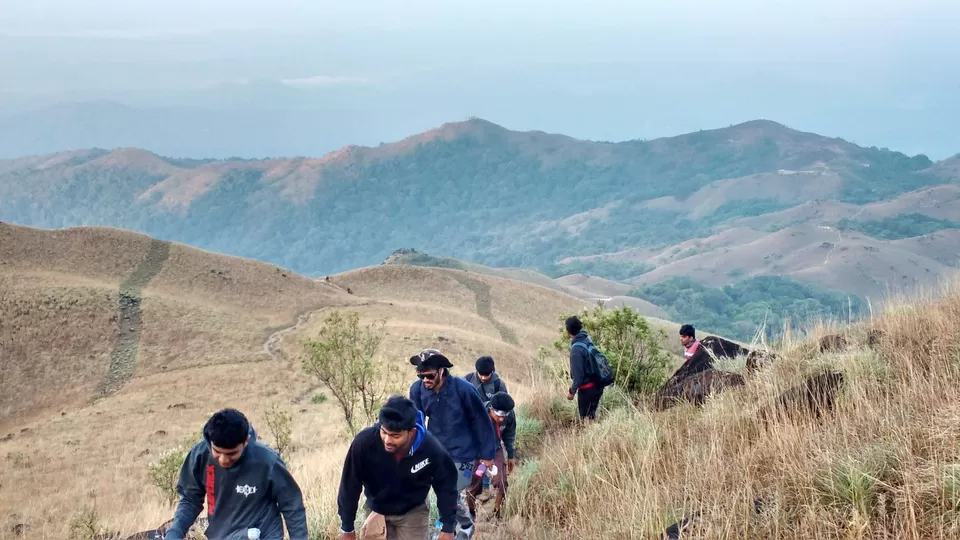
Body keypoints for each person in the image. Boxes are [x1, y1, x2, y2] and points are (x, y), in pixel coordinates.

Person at [163, 409, 308, 540]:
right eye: (217, 452)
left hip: (264, 534)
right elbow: (190, 499)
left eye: (231, 454)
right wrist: (175, 533)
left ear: (245, 441)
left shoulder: (267, 461)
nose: (223, 460)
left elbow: (292, 505)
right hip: (222, 535)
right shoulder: (200, 455)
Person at [337, 395, 459, 540]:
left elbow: (446, 485)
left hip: (413, 510)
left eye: (395, 436)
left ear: (411, 432)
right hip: (377, 509)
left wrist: (448, 527)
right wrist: (347, 526)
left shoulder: (430, 448)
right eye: (384, 432)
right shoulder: (364, 443)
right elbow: (350, 484)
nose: (387, 440)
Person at [409, 349, 498, 540]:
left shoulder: (463, 389)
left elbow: (481, 421)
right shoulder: (417, 390)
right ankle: (456, 525)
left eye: (430, 375)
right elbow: (415, 422)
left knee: (448, 492)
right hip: (437, 452)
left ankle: (458, 528)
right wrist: (411, 450)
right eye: (421, 375)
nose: (425, 380)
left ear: (442, 371)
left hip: (463, 453)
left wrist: (488, 454)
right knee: (442, 494)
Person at [466, 392, 517, 521]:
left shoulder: (508, 415)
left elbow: (509, 435)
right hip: (476, 452)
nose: (502, 419)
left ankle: (496, 512)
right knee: (473, 485)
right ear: (490, 409)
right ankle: (472, 513)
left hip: (495, 448)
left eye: (504, 416)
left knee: (501, 481)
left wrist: (511, 455)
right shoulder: (477, 415)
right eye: (499, 416)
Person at [565, 316, 604, 422]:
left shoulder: (576, 350)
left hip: (587, 390)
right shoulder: (587, 339)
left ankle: (589, 437)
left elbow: (578, 376)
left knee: (585, 421)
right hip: (597, 385)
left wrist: (571, 392)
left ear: (568, 332)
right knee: (592, 417)